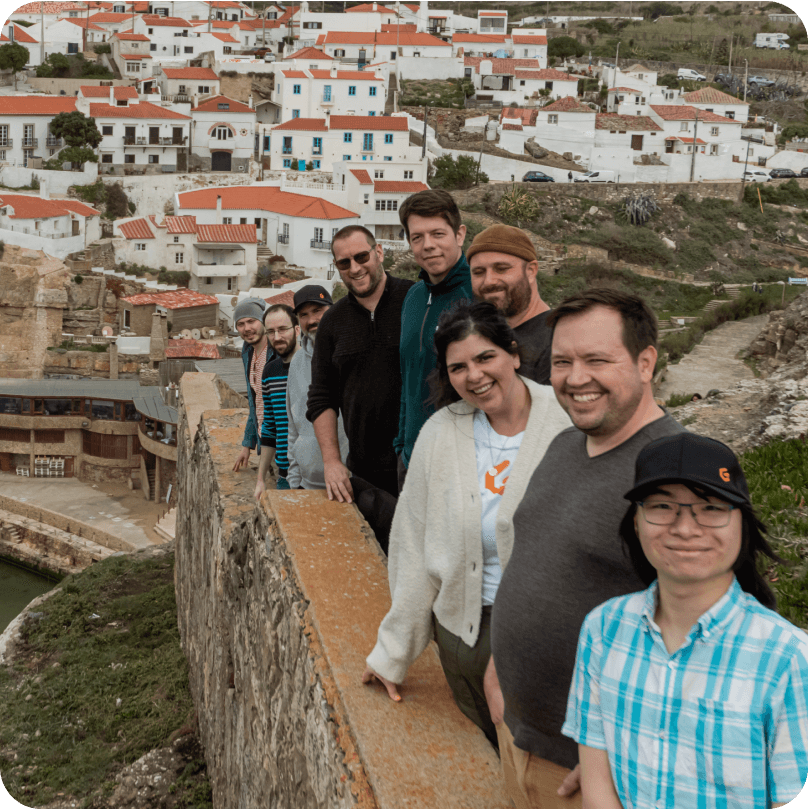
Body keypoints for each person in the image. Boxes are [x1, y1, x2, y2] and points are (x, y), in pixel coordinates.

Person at [486, 289, 686, 808]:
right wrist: (499, 668)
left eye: (597, 360)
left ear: (646, 362)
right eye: (562, 362)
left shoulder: (678, 474)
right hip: (519, 740)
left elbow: (713, 636)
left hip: (594, 773)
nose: (575, 379)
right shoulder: (562, 444)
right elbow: (535, 558)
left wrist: (620, 757)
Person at [363, 301, 572, 747]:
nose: (473, 375)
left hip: (548, 644)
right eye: (458, 367)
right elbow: (413, 548)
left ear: (513, 353)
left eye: (485, 358)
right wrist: (392, 653)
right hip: (463, 641)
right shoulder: (441, 433)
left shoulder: (568, 421)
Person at [563, 433, 808, 809]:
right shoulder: (603, 629)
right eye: (662, 506)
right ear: (637, 522)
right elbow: (598, 784)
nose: (685, 528)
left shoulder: (789, 659)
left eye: (710, 507)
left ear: (742, 523)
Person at [307, 225, 413, 500]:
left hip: (420, 464)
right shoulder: (332, 322)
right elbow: (321, 397)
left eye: (361, 257)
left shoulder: (416, 301)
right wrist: (331, 462)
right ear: (336, 266)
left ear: (378, 252)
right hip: (365, 474)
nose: (354, 268)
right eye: (344, 262)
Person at [394, 189, 471, 490]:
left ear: (459, 234)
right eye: (417, 237)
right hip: (411, 460)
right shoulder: (414, 297)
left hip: (460, 466)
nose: (428, 246)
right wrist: (401, 444)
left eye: (438, 233)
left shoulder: (477, 295)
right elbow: (407, 376)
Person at [467, 224, 553, 384]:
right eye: (478, 272)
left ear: (531, 271)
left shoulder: (560, 339)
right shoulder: (479, 337)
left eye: (501, 268)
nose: (489, 281)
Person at [284, 285, 349, 491]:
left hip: (349, 482)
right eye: (304, 315)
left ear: (332, 310)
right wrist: (294, 480)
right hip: (306, 484)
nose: (311, 320)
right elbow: (293, 426)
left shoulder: (350, 354)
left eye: (318, 311)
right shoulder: (296, 363)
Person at [254, 303, 300, 499]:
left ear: (297, 329)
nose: (277, 337)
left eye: (282, 329)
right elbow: (270, 427)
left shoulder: (316, 367)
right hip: (284, 477)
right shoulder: (270, 372)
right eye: (271, 332)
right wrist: (260, 479)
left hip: (314, 478)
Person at [233, 297, 275, 474]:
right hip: (264, 441)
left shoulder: (277, 352)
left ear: (263, 321)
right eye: (241, 324)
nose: (247, 328)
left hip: (281, 444)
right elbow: (255, 401)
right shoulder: (248, 352)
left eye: (251, 321)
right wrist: (247, 445)